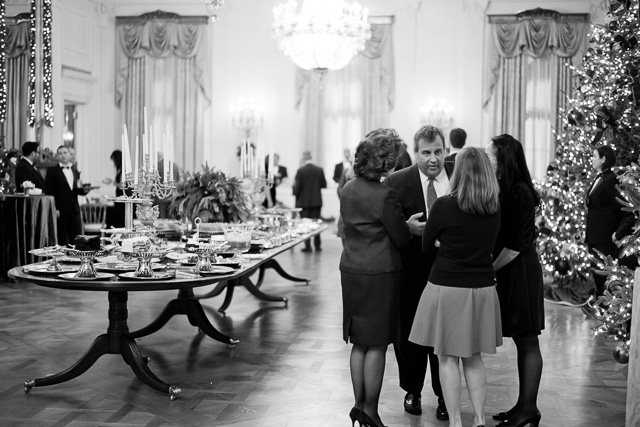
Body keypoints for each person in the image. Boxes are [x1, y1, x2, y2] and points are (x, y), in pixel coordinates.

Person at [410, 146, 502, 427]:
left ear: (459, 171)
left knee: (447, 359)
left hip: (448, 287)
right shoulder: (494, 207)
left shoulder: (445, 204)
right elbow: (492, 246)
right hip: (483, 289)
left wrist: (441, 242)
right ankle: (478, 419)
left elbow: (426, 246)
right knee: (474, 359)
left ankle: (454, 422)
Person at [339, 128, 415, 427]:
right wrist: (408, 226)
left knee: (360, 342)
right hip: (380, 273)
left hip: (352, 271)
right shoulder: (385, 195)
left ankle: (358, 406)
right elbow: (401, 238)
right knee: (379, 344)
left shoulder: (347, 188)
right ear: (384, 162)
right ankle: (370, 409)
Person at [384, 125, 453, 421]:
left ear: (445, 150)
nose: (433, 159)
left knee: (445, 337)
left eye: (438, 151)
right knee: (409, 334)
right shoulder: (397, 181)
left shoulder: (457, 178)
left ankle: (443, 395)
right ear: (415, 154)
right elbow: (388, 223)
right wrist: (408, 229)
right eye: (426, 153)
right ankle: (412, 389)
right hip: (410, 271)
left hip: (449, 270)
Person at [485, 134, 544, 427]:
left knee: (527, 339)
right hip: (511, 269)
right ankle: (522, 405)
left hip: (519, 270)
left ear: (504, 158)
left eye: (491, 154)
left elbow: (515, 244)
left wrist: (491, 269)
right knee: (523, 340)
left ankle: (529, 409)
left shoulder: (519, 192)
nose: (488, 157)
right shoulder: (507, 188)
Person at [586, 145, 627, 298]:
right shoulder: (600, 177)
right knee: (597, 276)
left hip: (605, 238)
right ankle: (602, 312)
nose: (591, 158)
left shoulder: (610, 179)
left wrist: (617, 232)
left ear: (603, 159)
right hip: (594, 237)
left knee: (604, 277)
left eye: (594, 156)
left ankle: (607, 313)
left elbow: (620, 206)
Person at [44, 145, 87, 246]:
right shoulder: (52, 171)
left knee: (77, 238)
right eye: (60, 153)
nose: (63, 155)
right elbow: (49, 191)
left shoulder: (75, 171)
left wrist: (85, 191)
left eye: (65, 153)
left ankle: (76, 259)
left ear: (69, 154)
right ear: (57, 156)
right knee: (61, 238)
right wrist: (54, 208)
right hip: (61, 210)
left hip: (74, 209)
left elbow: (76, 190)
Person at [293, 150, 327, 252]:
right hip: (316, 201)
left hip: (304, 202)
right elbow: (323, 185)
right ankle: (317, 245)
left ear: (304, 158)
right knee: (317, 223)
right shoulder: (319, 170)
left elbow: (296, 188)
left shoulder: (301, 170)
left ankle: (307, 246)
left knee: (305, 224)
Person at [106, 149, 125, 228]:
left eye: (114, 160)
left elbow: (122, 185)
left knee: (120, 219)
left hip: (122, 199)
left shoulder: (123, 170)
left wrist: (112, 182)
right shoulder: (120, 169)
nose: (113, 163)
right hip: (119, 198)